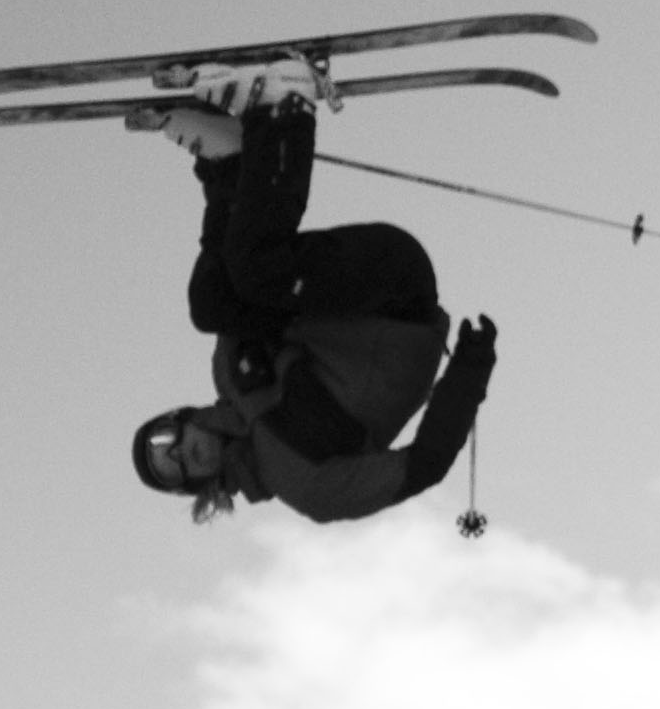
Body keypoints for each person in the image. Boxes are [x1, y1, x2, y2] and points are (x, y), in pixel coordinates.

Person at [130, 74, 497, 523]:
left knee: (212, 305)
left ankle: (229, 162)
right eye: (177, 469)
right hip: (401, 301)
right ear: (194, 487)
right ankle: (284, 110)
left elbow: (226, 276)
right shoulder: (308, 489)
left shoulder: (228, 372)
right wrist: (469, 373)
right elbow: (424, 466)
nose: (184, 453)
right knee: (256, 276)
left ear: (178, 417)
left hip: (360, 278)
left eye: (166, 441)